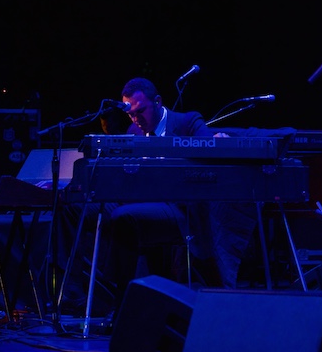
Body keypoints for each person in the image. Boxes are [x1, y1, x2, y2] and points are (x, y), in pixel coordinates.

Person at [108, 77, 256, 309]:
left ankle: (122, 306)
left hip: (179, 209)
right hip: (144, 202)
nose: (136, 119)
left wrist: (218, 142)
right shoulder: (133, 130)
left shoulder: (188, 121)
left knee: (123, 218)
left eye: (141, 111)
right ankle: (85, 299)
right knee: (88, 209)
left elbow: (208, 147)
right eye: (130, 114)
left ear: (158, 102)